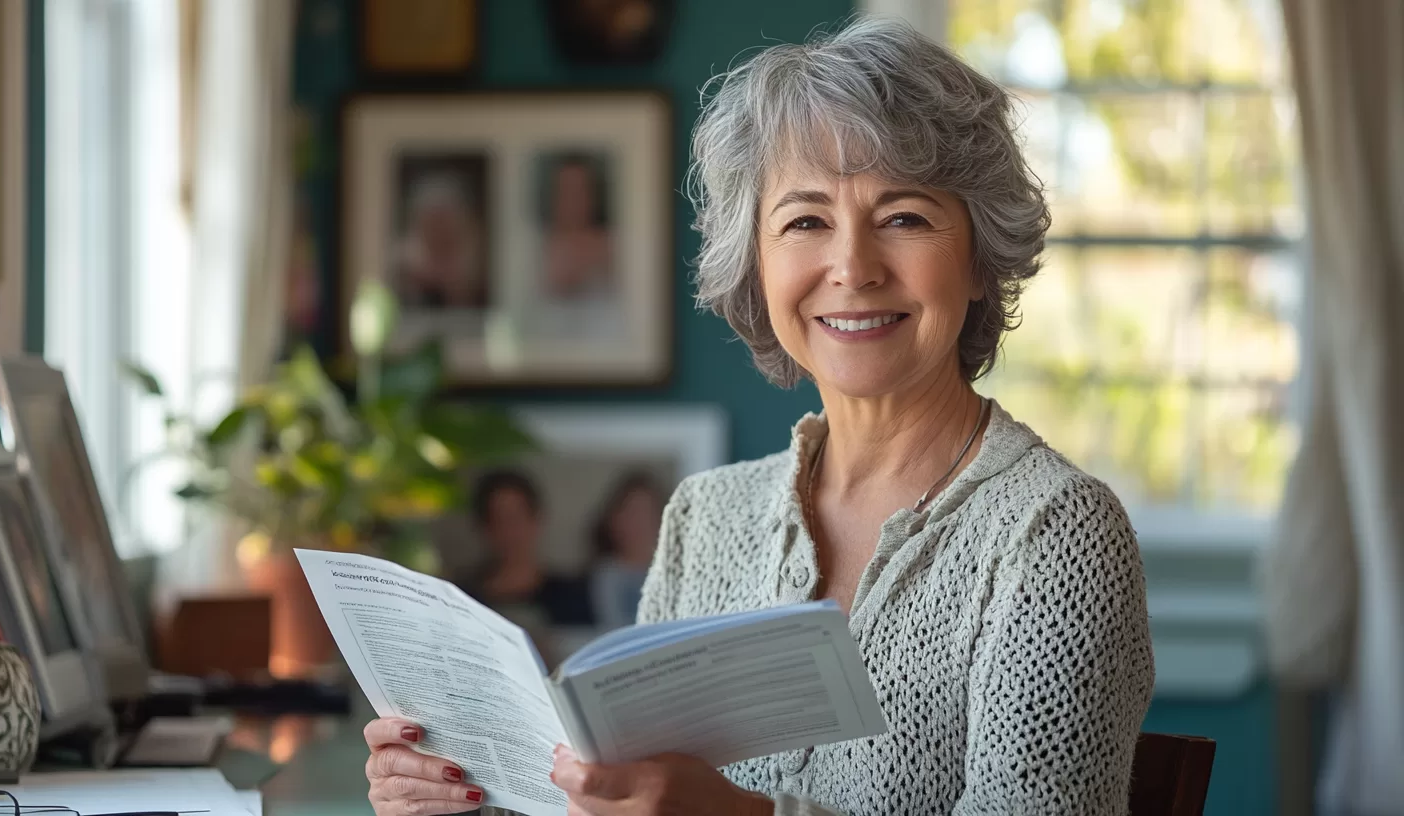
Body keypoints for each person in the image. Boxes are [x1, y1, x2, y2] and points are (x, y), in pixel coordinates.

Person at [361, 17, 1154, 815]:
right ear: (757, 260)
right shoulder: (704, 519)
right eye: (806, 221)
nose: (853, 266)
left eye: (904, 217)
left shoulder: (1055, 534)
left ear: (981, 258)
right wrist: (464, 798)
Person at [463, 469, 594, 633]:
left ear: (536, 520)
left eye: (516, 519)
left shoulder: (571, 597)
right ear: (483, 527)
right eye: (498, 520)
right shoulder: (462, 598)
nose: (509, 532)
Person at [394, 172, 486, 309]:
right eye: (431, 221)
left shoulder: (473, 258)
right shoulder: (404, 262)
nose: (438, 230)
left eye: (444, 219)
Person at [586, 471, 665, 630]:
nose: (638, 523)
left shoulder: (675, 574)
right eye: (631, 513)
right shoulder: (605, 576)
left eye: (645, 513)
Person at [540, 153, 613, 299]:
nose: (573, 200)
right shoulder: (534, 247)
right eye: (566, 190)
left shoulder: (611, 246)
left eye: (580, 190)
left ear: (594, 196)